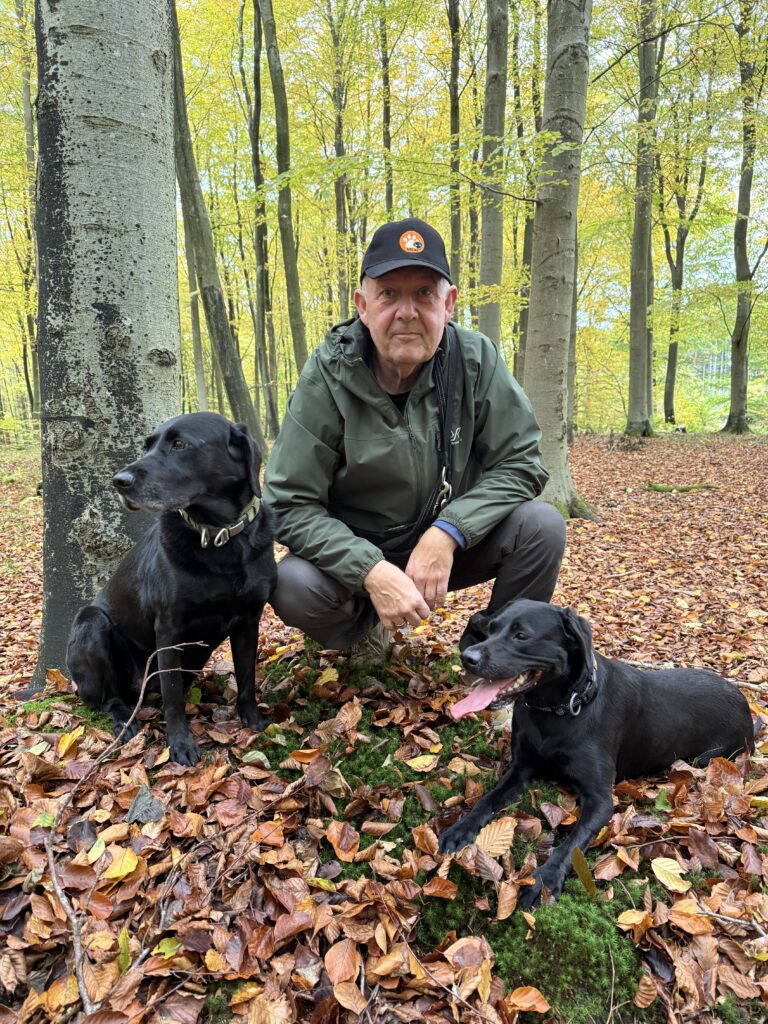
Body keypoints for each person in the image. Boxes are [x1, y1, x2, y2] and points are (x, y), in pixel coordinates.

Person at [263, 217, 566, 661]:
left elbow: (521, 462)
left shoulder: (474, 360)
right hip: (356, 548)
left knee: (541, 527)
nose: (407, 312)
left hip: (447, 542)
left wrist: (448, 531)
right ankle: (364, 629)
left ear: (449, 304)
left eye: (424, 293)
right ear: (363, 306)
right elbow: (288, 503)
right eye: (389, 294)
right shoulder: (328, 375)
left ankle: (497, 656)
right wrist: (369, 569)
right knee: (293, 585)